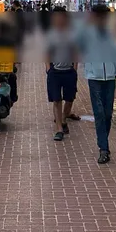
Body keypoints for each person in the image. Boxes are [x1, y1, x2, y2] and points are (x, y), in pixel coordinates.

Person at [77, 5, 116, 164]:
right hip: (94, 77)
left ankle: (103, 142)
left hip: (109, 77)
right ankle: (103, 148)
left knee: (108, 113)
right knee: (99, 112)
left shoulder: (111, 32)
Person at [45, 7, 78, 141]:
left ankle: (64, 118)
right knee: (56, 100)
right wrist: (48, 68)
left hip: (69, 71)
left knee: (70, 99)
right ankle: (59, 129)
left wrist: (75, 68)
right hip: (55, 72)